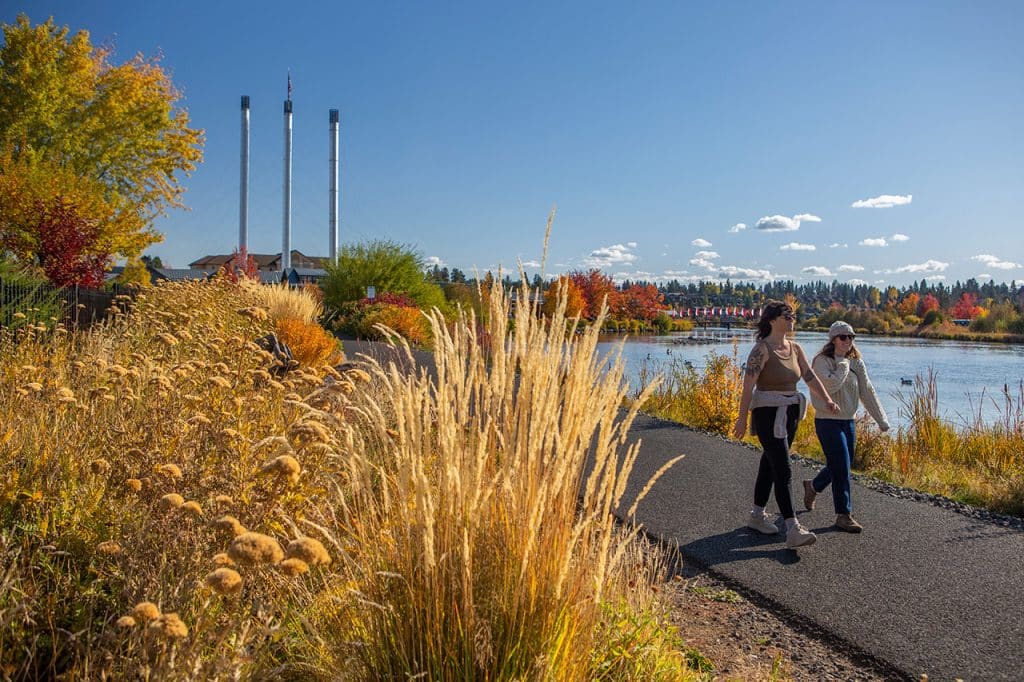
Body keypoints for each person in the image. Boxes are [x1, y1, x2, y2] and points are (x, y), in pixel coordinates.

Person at [732, 301, 840, 549]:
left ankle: (757, 516)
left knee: (769, 464)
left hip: (790, 411)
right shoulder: (761, 350)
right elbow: (748, 386)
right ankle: (792, 528)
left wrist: (828, 400)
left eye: (793, 315)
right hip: (768, 413)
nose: (792, 318)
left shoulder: (795, 348)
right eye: (786, 315)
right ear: (772, 320)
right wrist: (741, 417)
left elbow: (809, 377)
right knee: (783, 467)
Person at [802, 321, 890, 533]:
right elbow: (830, 386)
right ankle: (844, 514)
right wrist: (842, 364)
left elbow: (867, 391)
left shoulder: (857, 363)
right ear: (833, 339)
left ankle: (813, 486)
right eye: (843, 337)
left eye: (851, 337)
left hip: (848, 421)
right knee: (841, 465)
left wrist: (881, 419)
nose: (848, 341)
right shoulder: (822, 361)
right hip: (827, 421)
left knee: (842, 464)